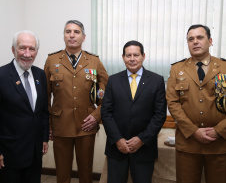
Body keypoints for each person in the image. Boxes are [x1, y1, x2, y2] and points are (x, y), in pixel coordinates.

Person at [44, 20, 108, 183]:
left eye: (76, 32)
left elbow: (107, 92)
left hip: (86, 124)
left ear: (84, 37)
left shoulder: (94, 61)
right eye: (68, 31)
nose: (72, 35)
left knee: (86, 172)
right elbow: (45, 96)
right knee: (62, 172)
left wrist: (97, 115)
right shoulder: (52, 60)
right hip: (61, 125)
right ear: (64, 36)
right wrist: (48, 125)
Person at [166, 24, 226, 183]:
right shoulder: (177, 69)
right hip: (188, 143)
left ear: (210, 40)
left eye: (200, 37)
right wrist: (193, 131)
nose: (195, 42)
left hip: (220, 143)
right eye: (190, 39)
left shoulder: (225, 67)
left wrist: (219, 130)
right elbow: (172, 103)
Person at [101, 40, 167, 183]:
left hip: (144, 149)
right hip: (117, 148)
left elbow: (159, 115)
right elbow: (106, 112)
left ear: (143, 56)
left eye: (136, 55)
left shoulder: (157, 80)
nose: (132, 59)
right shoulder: (113, 80)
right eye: (128, 55)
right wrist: (118, 139)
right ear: (123, 57)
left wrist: (141, 139)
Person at [0, 30, 49, 183]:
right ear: (13, 50)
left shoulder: (40, 75)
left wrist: (44, 138)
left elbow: (43, 111)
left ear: (36, 51)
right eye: (22, 48)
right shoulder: (2, 76)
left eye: (32, 49)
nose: (27, 54)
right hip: (9, 153)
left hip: (35, 152)